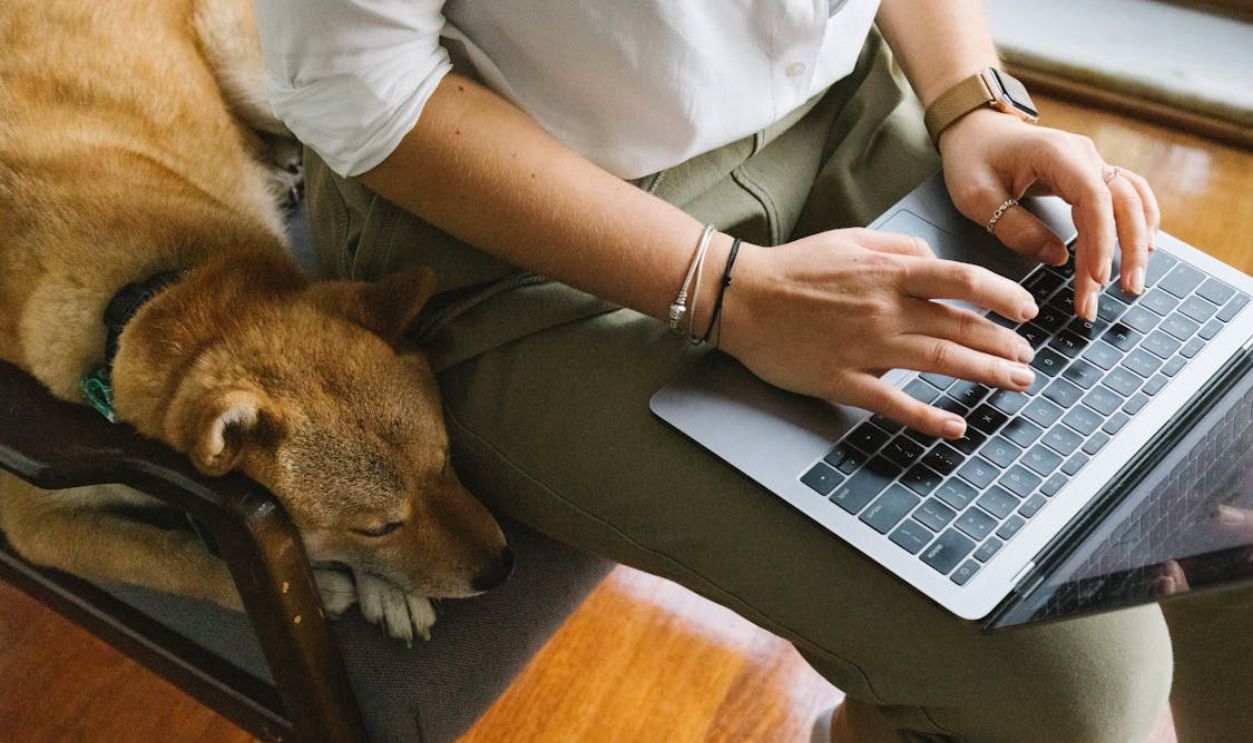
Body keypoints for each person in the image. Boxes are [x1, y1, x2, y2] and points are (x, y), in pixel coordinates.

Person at [255, 1, 1252, 740]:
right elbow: (358, 87)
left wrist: (972, 103)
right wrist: (728, 293)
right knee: (1073, 691)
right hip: (523, 243)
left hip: (839, 108)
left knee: (1236, 475)